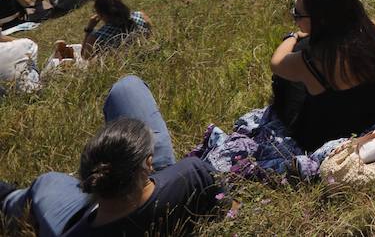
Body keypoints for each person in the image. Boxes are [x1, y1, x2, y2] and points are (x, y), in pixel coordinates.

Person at [0, 75, 221, 235]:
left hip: (89, 216)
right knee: (128, 88)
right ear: (149, 162)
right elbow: (229, 209)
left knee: (45, 183)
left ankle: (7, 197)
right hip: (151, 189)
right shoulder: (192, 176)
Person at [269, 0, 375, 152]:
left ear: (321, 20)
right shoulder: (370, 30)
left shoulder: (309, 60)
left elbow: (276, 63)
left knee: (284, 81)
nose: (295, 18)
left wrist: (292, 37)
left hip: (329, 131)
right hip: (373, 111)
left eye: (297, 14)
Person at [72, 0, 152, 59]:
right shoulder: (141, 16)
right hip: (143, 55)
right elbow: (150, 34)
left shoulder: (98, 36)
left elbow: (85, 56)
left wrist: (89, 29)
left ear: (101, 15)